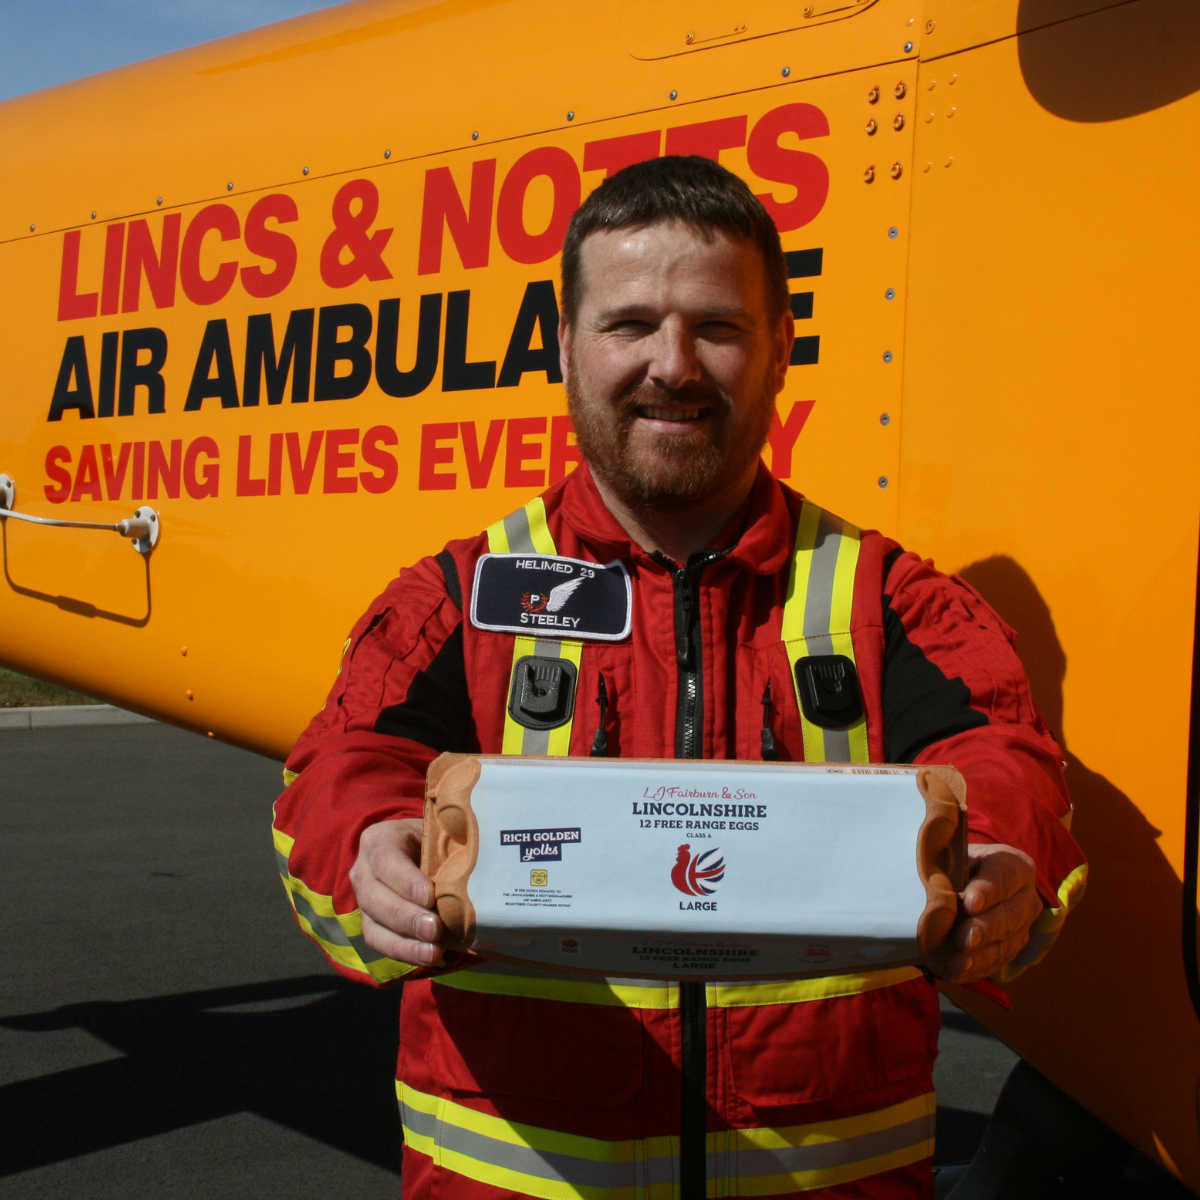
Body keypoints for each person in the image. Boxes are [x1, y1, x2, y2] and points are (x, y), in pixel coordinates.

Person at [273, 155, 1086, 1199]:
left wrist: (1001, 859)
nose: (673, 364)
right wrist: (368, 859)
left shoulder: (890, 598)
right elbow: (337, 773)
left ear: (780, 349)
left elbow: (1006, 758)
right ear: (565, 348)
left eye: (717, 326)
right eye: (629, 325)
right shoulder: (459, 594)